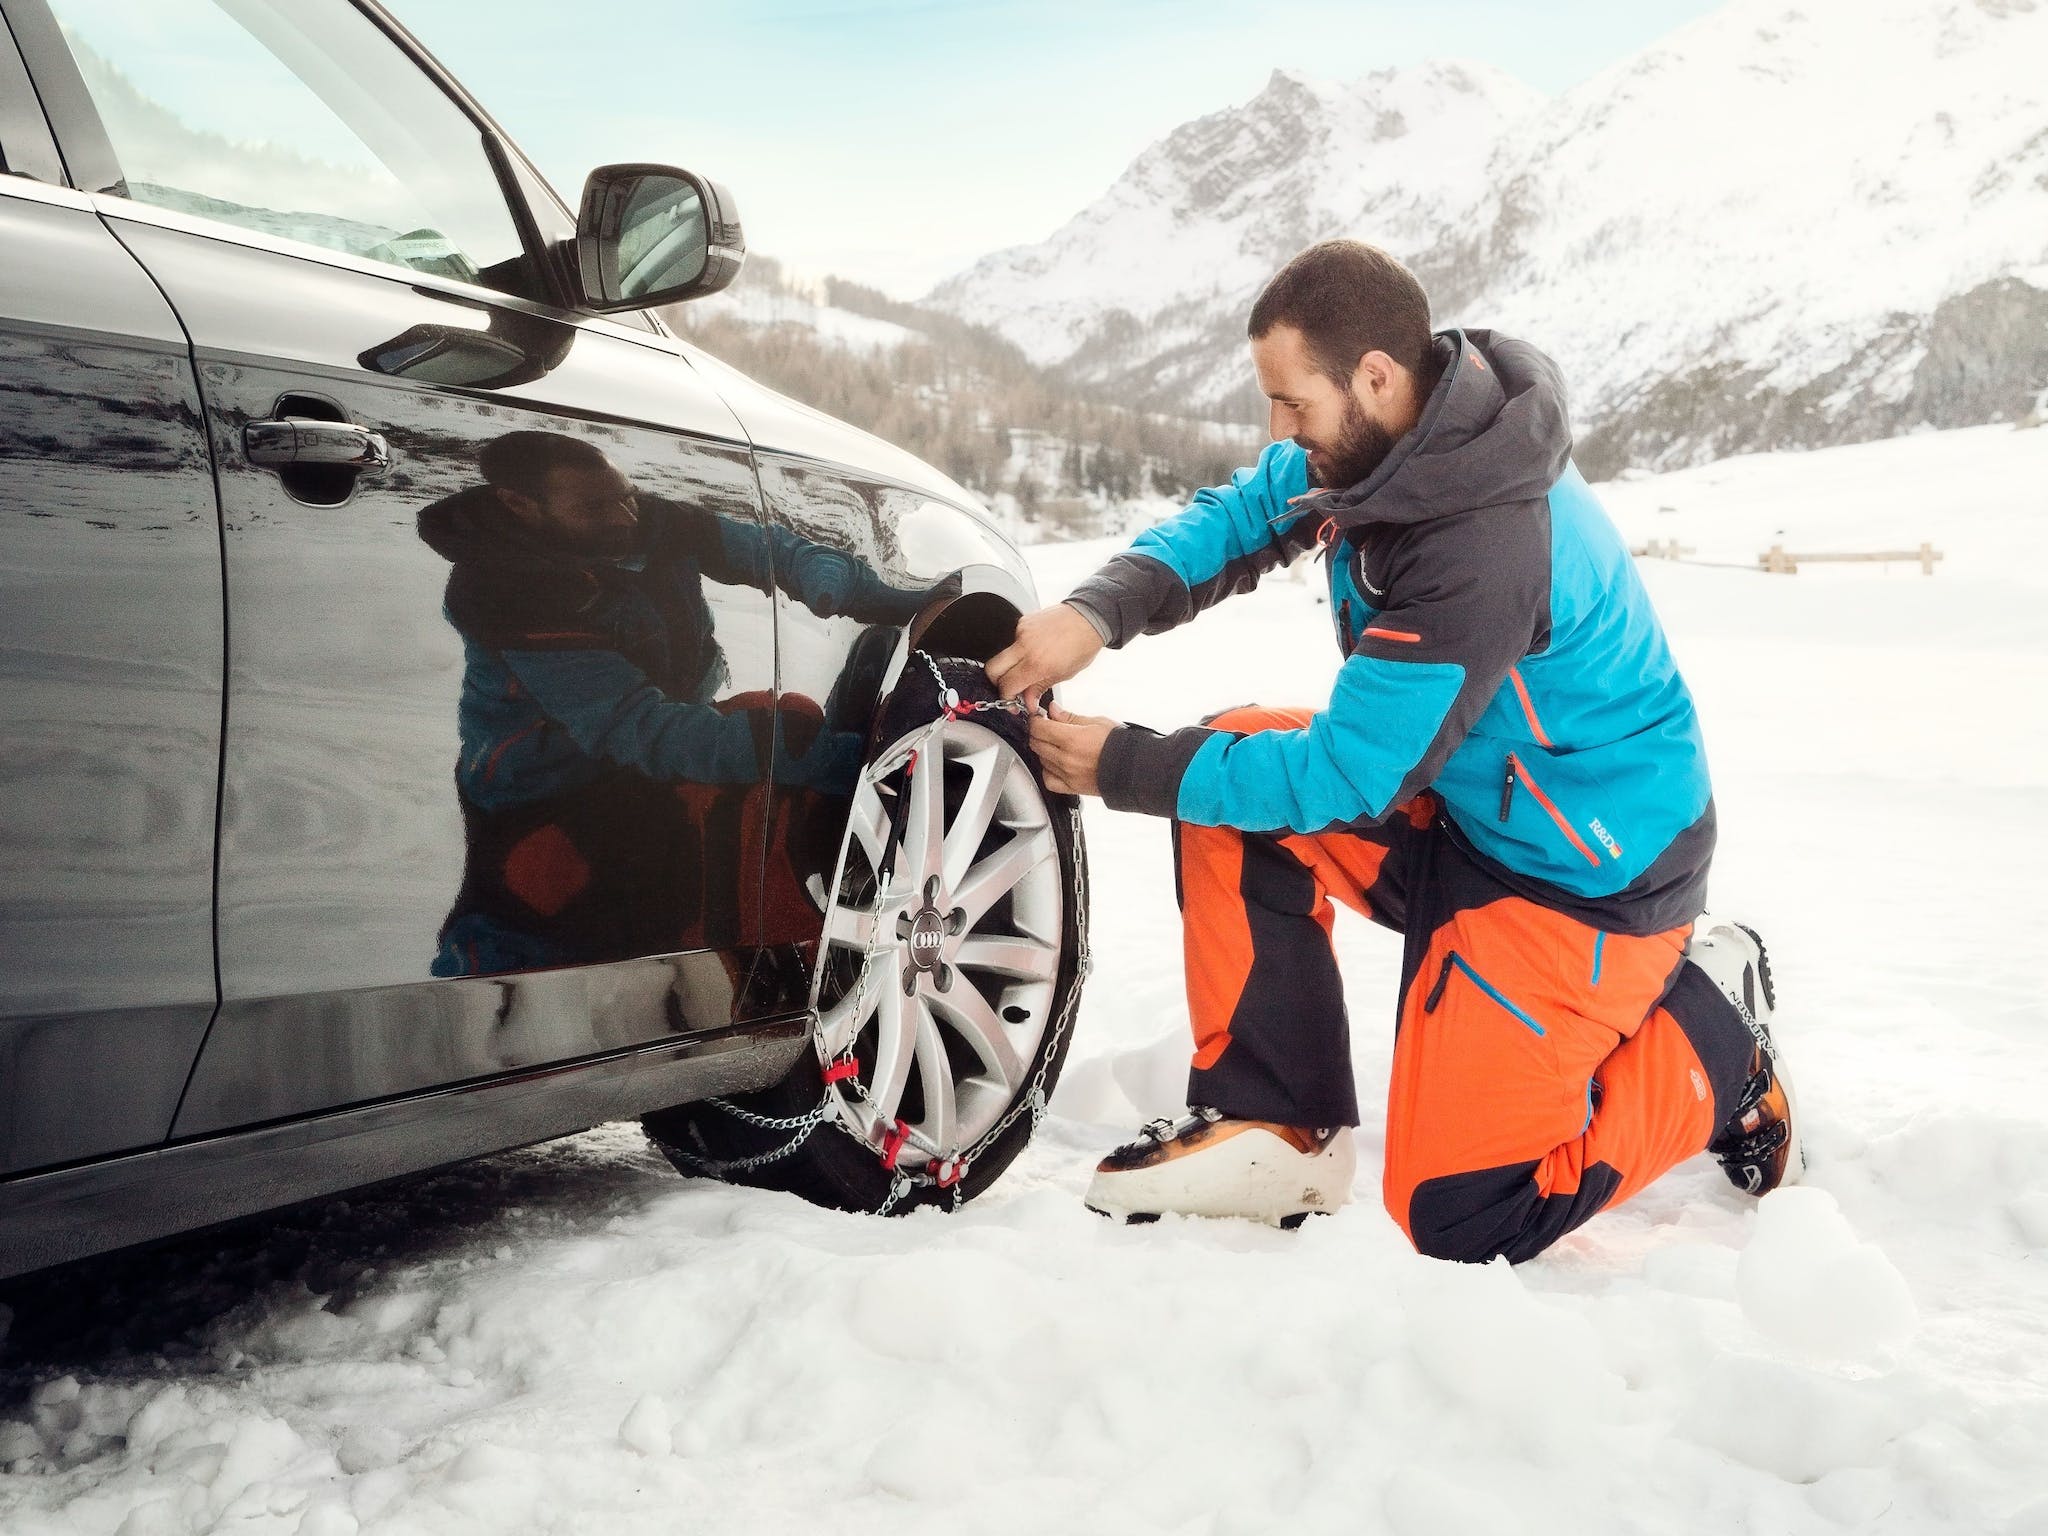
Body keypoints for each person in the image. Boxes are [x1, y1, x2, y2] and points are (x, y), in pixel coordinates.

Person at [986, 240, 1800, 1262]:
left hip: (1582, 878)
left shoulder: (1482, 543)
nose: (1278, 433)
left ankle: (1712, 1033)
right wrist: (1092, 613)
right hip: (1469, 817)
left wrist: (1118, 765)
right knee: (1230, 760)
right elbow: (1243, 512)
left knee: (1457, 1211)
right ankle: (1275, 1125)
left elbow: (1347, 777)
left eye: (1292, 405)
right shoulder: (1394, 444)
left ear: (1374, 375)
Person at [420, 430, 920, 975]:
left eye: (625, 495)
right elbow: (637, 727)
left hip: (655, 756)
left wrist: (836, 579)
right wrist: (825, 759)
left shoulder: (641, 522)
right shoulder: (504, 591)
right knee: (556, 928)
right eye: (594, 507)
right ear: (519, 505)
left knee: (781, 740)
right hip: (545, 791)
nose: (625, 517)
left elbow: (764, 550)